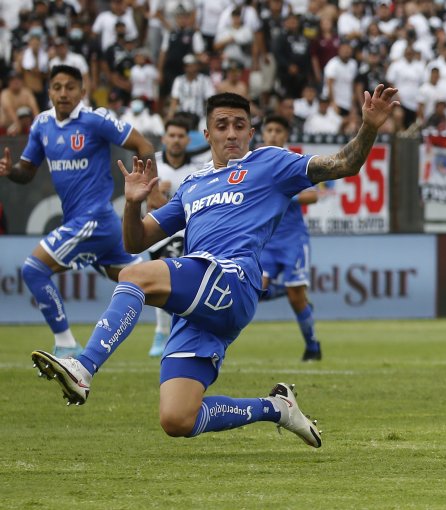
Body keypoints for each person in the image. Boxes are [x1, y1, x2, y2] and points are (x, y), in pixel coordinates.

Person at [30, 86, 398, 444]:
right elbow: (136, 241)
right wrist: (131, 203)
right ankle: (277, 408)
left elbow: (345, 164)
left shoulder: (269, 163)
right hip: (202, 302)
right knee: (177, 419)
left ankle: (83, 367)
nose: (231, 133)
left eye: (240, 125)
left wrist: (368, 126)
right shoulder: (193, 185)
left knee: (135, 275)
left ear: (251, 132)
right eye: (222, 125)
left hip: (233, 280)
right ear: (206, 133)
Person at [0, 65, 157, 358]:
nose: (63, 93)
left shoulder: (94, 120)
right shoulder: (41, 125)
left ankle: (66, 345)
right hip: (93, 225)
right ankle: (192, 317)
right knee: (144, 280)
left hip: (93, 220)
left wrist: (155, 191)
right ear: (48, 92)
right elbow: (28, 171)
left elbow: (143, 144)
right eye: (57, 87)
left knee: (34, 270)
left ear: (82, 92)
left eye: (70, 87)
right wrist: (12, 172)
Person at [257, 115, 322, 361]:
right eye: (269, 129)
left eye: (278, 130)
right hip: (266, 242)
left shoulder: (293, 162)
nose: (273, 134)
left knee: (298, 300)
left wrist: (285, 194)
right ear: (263, 134)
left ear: (285, 136)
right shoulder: (255, 163)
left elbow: (314, 195)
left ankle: (313, 347)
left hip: (293, 241)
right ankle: (286, 290)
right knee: (254, 291)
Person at [146, 117, 198, 357]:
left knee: (177, 286)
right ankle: (161, 331)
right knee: (164, 276)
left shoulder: (198, 170)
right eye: (172, 136)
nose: (176, 141)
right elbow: (141, 203)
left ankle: (168, 332)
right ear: (164, 138)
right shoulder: (152, 166)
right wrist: (155, 195)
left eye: (181, 136)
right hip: (159, 234)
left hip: (188, 235)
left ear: (187, 140)